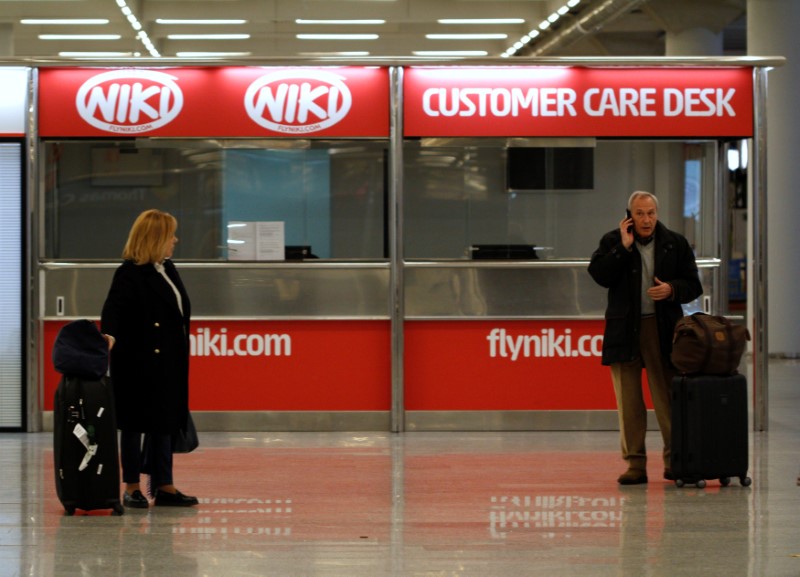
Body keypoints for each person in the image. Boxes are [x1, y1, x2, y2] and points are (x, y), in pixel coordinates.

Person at [588, 191, 703, 485]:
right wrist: (624, 249)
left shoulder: (675, 243)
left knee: (667, 397)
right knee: (628, 401)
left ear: (657, 213)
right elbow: (599, 274)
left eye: (651, 213)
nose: (646, 219)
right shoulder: (613, 241)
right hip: (624, 329)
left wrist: (671, 290)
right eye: (640, 213)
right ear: (629, 215)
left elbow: (693, 284)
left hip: (661, 329)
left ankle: (673, 461)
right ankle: (635, 465)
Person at [101, 209, 198, 508]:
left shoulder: (168, 269)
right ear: (155, 238)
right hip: (136, 362)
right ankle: (131, 487)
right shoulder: (129, 273)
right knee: (133, 424)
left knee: (165, 422)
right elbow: (112, 313)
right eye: (170, 235)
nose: (175, 240)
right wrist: (110, 337)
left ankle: (164, 486)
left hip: (168, 362)